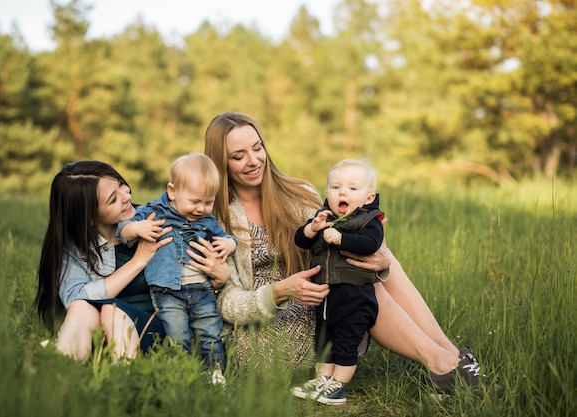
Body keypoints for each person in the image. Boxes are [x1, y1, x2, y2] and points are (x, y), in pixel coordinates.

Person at [203, 112, 482, 402]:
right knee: (355, 282)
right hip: (265, 331)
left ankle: (452, 357)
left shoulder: (296, 193)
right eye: (238, 156)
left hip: (322, 303)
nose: (253, 160)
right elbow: (225, 302)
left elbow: (344, 229)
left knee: (372, 258)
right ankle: (443, 364)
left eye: (257, 147)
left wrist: (381, 259)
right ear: (221, 162)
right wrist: (281, 290)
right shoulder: (215, 218)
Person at [33, 160, 231, 362]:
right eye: (113, 199)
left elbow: (194, 280)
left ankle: (124, 379)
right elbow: (76, 299)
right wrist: (138, 261)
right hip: (102, 328)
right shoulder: (75, 249)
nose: (127, 197)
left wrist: (220, 278)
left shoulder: (156, 220)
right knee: (82, 306)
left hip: (163, 322)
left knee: (112, 311)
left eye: (121, 185)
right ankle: (62, 373)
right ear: (89, 217)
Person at [116, 153, 236, 383]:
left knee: (210, 330)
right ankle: (183, 373)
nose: (201, 208)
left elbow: (226, 237)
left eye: (208, 202)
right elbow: (122, 230)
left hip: (202, 289)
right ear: (172, 191)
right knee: (177, 333)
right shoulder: (155, 212)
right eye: (194, 201)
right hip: (167, 291)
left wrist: (229, 244)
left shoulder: (208, 221)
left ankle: (215, 373)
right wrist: (137, 229)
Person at [291, 159, 385, 405]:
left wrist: (342, 239)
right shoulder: (323, 217)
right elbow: (301, 241)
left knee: (345, 342)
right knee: (324, 340)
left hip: (355, 297)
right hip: (326, 297)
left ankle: (339, 385)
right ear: (327, 193)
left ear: (368, 197)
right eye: (335, 187)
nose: (342, 192)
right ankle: (322, 379)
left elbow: (370, 244)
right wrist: (313, 228)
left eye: (352, 188)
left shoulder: (369, 221)